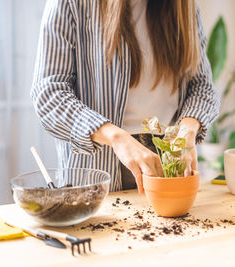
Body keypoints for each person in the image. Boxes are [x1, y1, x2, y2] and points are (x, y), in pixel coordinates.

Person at [31, 0, 220, 193]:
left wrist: (186, 131)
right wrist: (116, 138)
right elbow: (49, 94)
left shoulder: (184, 7)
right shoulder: (72, 4)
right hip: (98, 176)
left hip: (170, 174)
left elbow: (202, 87)